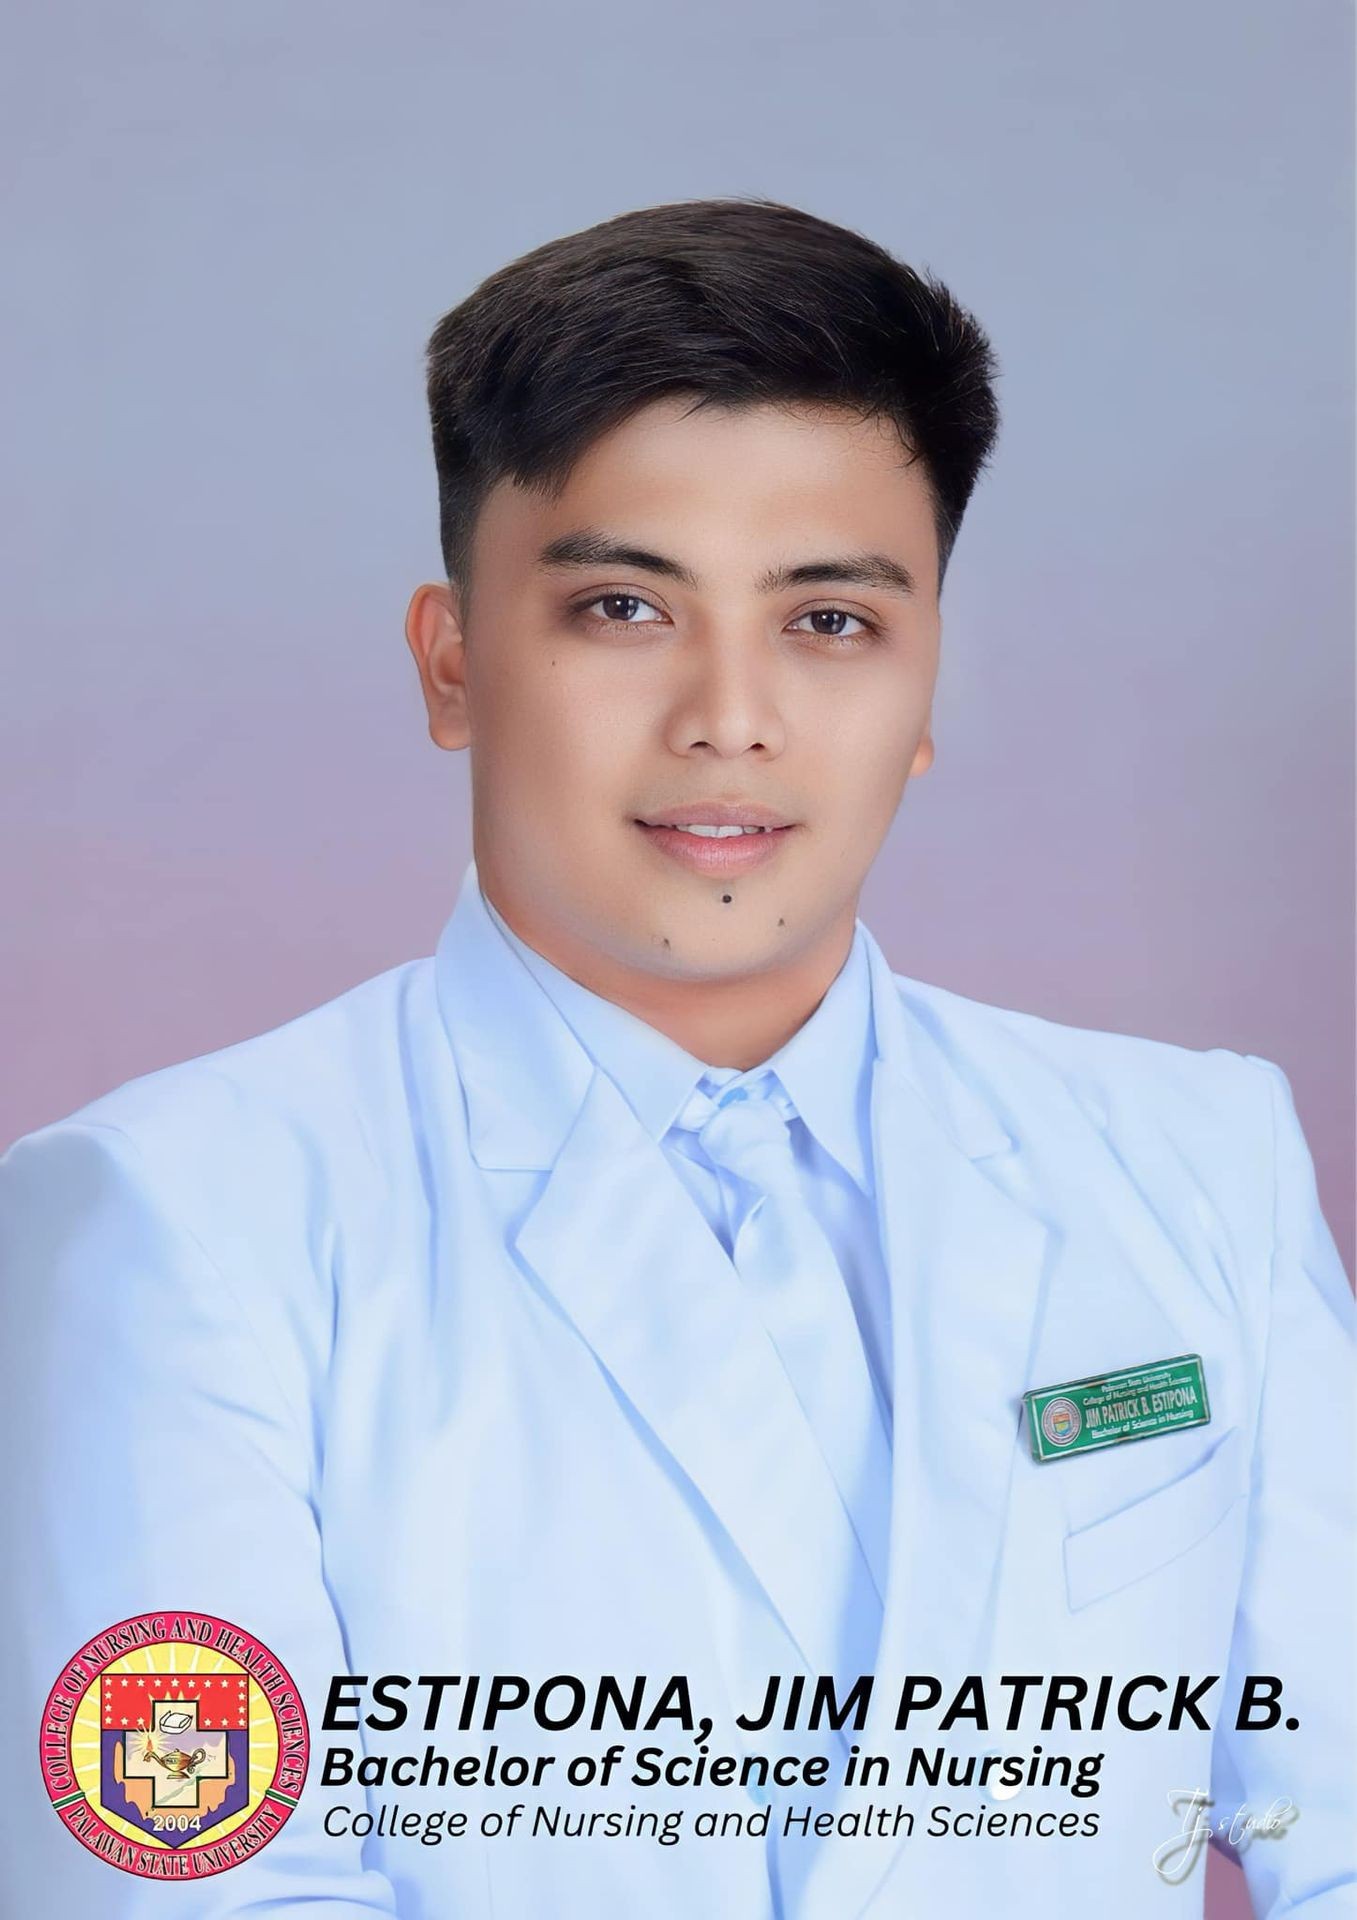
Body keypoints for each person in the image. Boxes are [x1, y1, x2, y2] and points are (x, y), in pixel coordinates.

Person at [1, 197, 1352, 1920]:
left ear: (929, 679)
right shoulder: (176, 1218)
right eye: (625, 610)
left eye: (830, 621)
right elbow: (185, 1890)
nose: (731, 713)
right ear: (451, 665)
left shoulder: (1196, 1163)